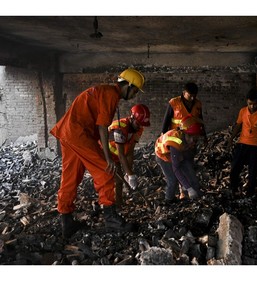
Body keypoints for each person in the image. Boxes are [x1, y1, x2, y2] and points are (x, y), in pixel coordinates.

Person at [50, 68, 145, 238]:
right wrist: (107, 158)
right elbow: (102, 126)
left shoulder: (104, 91)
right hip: (79, 134)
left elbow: (99, 126)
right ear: (128, 86)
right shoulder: (110, 95)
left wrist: (108, 143)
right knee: (106, 172)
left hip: (68, 133)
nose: (134, 95)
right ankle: (111, 219)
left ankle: (66, 220)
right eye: (135, 91)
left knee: (71, 176)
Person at [161, 82, 208, 199]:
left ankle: (187, 190)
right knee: (177, 165)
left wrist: (204, 135)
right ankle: (183, 190)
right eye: (190, 95)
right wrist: (163, 136)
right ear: (183, 93)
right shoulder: (174, 103)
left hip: (191, 139)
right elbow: (166, 120)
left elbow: (200, 120)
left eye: (194, 96)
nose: (192, 98)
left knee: (188, 163)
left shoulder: (197, 104)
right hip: (176, 139)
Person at [104, 104, 150, 208]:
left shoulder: (138, 129)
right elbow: (121, 154)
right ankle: (108, 206)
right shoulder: (120, 128)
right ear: (132, 118)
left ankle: (119, 205)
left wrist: (128, 172)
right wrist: (130, 175)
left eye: (142, 124)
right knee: (108, 180)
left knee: (119, 180)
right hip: (104, 154)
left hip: (116, 157)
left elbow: (129, 152)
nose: (140, 127)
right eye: (138, 124)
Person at [227, 89, 257, 198]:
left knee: (252, 172)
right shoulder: (242, 111)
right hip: (242, 144)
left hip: (255, 146)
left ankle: (250, 194)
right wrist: (231, 138)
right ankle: (233, 190)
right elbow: (238, 125)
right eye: (250, 104)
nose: (252, 106)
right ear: (247, 102)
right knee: (235, 168)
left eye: (255, 104)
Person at [155, 115, 204, 204]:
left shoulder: (190, 139)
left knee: (191, 174)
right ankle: (168, 200)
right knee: (172, 180)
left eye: (196, 138)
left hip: (180, 152)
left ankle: (196, 196)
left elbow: (189, 160)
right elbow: (176, 168)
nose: (194, 141)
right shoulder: (175, 142)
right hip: (163, 156)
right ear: (185, 133)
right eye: (192, 138)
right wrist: (189, 188)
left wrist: (189, 182)